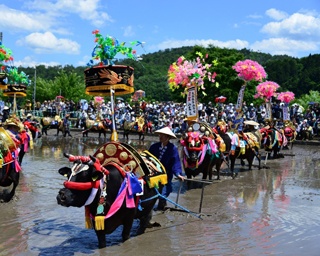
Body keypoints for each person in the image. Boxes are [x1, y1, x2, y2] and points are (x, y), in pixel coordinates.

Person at [149, 127, 184, 210]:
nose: (160, 137)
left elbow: (175, 162)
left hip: (166, 173)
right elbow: (148, 158)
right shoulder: (154, 147)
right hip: (154, 173)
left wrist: (178, 174)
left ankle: (161, 206)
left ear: (168, 137)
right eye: (160, 135)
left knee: (165, 190)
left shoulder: (172, 149)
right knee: (152, 190)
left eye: (163, 135)